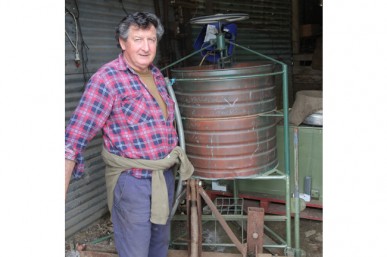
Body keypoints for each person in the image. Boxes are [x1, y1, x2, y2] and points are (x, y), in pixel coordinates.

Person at [65, 12, 193, 257]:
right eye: (138, 39)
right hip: (132, 181)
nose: (146, 47)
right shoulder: (106, 80)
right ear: (123, 43)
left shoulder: (154, 74)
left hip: (162, 175)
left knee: (159, 244)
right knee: (136, 249)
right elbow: (73, 140)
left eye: (151, 39)